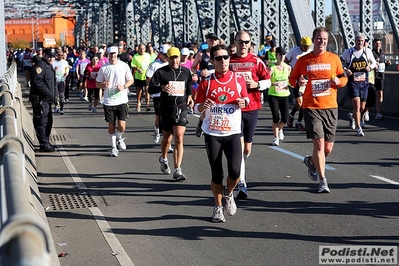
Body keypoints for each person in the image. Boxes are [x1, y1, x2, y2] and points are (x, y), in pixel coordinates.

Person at [194, 44, 249, 222]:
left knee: (235, 172)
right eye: (219, 58)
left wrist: (243, 102)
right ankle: (218, 208)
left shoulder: (237, 79)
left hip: (233, 131)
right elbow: (196, 106)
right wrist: (203, 106)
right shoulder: (206, 82)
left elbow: (246, 98)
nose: (223, 61)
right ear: (213, 61)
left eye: (226, 57)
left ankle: (229, 193)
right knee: (217, 174)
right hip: (213, 132)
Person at [289, 27, 348, 193]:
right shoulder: (303, 60)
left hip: (330, 107)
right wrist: (298, 83)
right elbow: (292, 80)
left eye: (324, 39)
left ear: (327, 41)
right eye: (319, 38)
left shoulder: (334, 58)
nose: (321, 41)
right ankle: (323, 181)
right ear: (313, 40)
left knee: (328, 148)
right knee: (320, 145)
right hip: (311, 107)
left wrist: (339, 81)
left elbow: (343, 78)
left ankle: (312, 162)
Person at [230, 30, 271, 199]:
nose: (243, 45)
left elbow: (268, 81)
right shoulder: (229, 61)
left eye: (246, 42)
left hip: (252, 107)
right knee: (239, 149)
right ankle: (242, 184)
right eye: (240, 42)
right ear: (235, 43)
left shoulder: (256, 61)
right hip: (233, 110)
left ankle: (241, 166)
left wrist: (257, 84)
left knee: (247, 148)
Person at [148, 47, 194, 181]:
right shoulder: (161, 72)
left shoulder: (185, 72)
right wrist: (161, 87)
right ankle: (163, 158)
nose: (175, 60)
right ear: (167, 58)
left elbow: (189, 84)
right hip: (166, 107)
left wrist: (190, 96)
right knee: (167, 137)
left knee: (179, 137)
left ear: (180, 58)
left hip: (181, 107)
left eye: (176, 57)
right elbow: (150, 88)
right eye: (172, 57)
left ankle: (177, 169)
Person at [95, 44, 134, 157]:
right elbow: (97, 83)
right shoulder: (104, 68)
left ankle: (119, 137)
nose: (113, 56)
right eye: (111, 54)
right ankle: (113, 148)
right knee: (111, 125)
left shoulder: (124, 66)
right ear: (108, 54)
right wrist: (103, 84)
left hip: (122, 100)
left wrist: (124, 86)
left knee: (122, 125)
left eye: (114, 54)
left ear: (117, 54)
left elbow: (130, 80)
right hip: (109, 101)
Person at [341, 32, 376, 137]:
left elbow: (374, 62)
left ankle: (353, 117)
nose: (360, 43)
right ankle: (358, 128)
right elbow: (340, 62)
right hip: (353, 82)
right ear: (355, 41)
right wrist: (346, 70)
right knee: (356, 104)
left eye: (362, 41)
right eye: (358, 41)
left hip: (364, 83)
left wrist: (370, 67)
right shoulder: (349, 52)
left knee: (362, 107)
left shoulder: (367, 51)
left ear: (364, 42)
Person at [191, 33, 220, 137]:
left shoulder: (221, 54)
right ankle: (202, 123)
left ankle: (212, 127)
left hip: (219, 83)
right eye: (211, 40)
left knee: (216, 107)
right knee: (207, 106)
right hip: (206, 84)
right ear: (207, 41)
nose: (213, 41)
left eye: (215, 40)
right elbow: (193, 67)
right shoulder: (201, 54)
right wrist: (199, 73)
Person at [30, 49, 57, 152]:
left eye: (53, 56)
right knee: (42, 121)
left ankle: (46, 141)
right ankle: (44, 144)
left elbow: (53, 84)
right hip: (41, 99)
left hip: (47, 99)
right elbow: (37, 82)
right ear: (44, 55)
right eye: (49, 56)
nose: (51, 58)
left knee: (48, 121)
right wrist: (49, 93)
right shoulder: (40, 66)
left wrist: (55, 96)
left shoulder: (49, 66)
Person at [285, 36, 313, 131]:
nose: (306, 48)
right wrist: (290, 71)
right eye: (305, 46)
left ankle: (299, 122)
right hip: (296, 79)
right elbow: (286, 61)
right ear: (301, 45)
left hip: (306, 79)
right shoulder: (294, 51)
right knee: (299, 103)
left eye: (308, 46)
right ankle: (291, 115)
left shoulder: (310, 52)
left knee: (304, 102)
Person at [146, 44, 170, 144]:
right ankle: (157, 131)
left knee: (168, 118)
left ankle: (167, 142)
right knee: (159, 118)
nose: (166, 57)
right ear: (160, 54)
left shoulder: (172, 64)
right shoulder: (154, 65)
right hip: (158, 95)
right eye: (164, 54)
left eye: (167, 54)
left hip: (170, 94)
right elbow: (148, 79)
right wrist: (158, 84)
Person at [268, 47, 291, 146]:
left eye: (283, 55)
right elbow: (267, 81)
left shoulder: (288, 67)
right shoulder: (272, 68)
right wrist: (274, 84)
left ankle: (280, 128)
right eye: (280, 55)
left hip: (284, 94)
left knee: (285, 119)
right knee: (276, 117)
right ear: (276, 55)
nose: (282, 57)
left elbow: (290, 80)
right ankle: (275, 137)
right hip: (273, 94)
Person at [371, 38, 391, 120]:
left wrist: (387, 64)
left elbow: (383, 65)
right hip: (372, 76)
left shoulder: (383, 53)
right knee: (371, 94)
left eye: (379, 43)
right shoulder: (371, 53)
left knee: (380, 94)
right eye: (376, 43)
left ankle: (378, 112)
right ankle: (366, 111)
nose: (378, 45)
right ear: (373, 44)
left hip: (381, 76)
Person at [131, 43, 152, 111]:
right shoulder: (135, 56)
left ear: (145, 49)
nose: (142, 50)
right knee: (139, 91)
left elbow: (150, 64)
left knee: (147, 90)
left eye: (143, 48)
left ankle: (147, 104)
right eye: (140, 49)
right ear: (138, 49)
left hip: (146, 76)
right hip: (138, 76)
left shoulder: (148, 55)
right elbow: (132, 66)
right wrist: (137, 69)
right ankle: (138, 103)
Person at [52, 50, 69, 114]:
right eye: (59, 55)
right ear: (56, 55)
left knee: (62, 95)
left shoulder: (65, 62)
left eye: (62, 55)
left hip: (62, 80)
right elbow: (50, 70)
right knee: (55, 95)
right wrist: (54, 70)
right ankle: (56, 106)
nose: (60, 56)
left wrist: (66, 73)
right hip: (55, 80)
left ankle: (61, 109)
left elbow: (67, 69)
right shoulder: (53, 62)